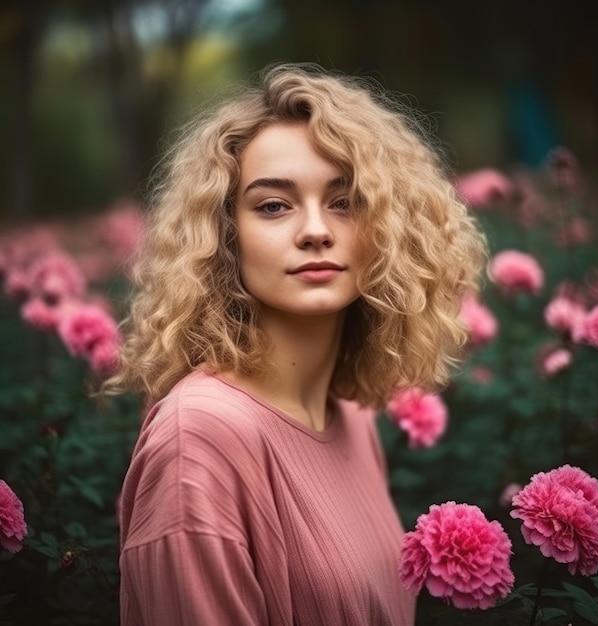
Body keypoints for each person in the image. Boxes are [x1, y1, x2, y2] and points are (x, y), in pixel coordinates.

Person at [106, 62, 486, 625]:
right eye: (273, 205)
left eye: (345, 200)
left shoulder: (350, 413)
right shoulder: (202, 439)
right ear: (225, 236)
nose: (315, 230)